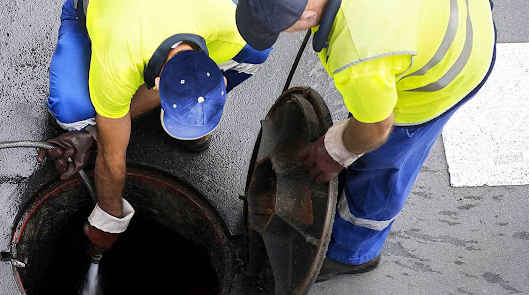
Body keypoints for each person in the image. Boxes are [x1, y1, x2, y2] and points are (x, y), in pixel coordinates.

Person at [235, 0, 496, 281]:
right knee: (368, 104)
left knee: (378, 168)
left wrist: (338, 150)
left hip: (451, 68)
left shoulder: (359, 53)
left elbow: (377, 128)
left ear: (308, 15)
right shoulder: (366, 49)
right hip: (459, 13)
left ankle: (352, 253)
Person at [36, 0, 271, 254]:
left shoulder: (231, 27)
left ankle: (181, 108)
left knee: (256, 53)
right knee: (74, 117)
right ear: (157, 84)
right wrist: (109, 219)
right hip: (97, 12)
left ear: (216, 73)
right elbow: (111, 155)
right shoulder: (118, 64)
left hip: (171, 18)